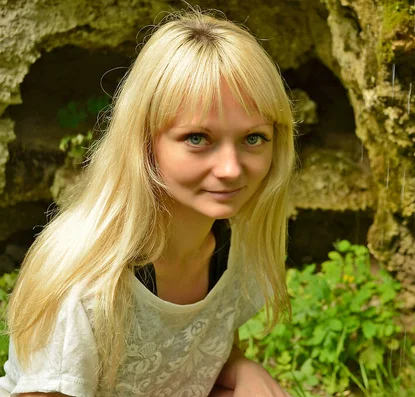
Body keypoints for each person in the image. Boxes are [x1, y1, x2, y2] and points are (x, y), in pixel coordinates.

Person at [0, 8, 295, 397]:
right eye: (197, 138)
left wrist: (240, 369)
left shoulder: (232, 244)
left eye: (254, 138)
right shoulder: (87, 287)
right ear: (144, 142)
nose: (230, 169)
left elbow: (200, 351)